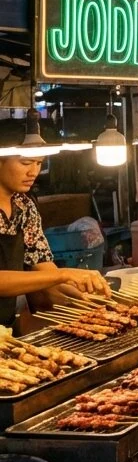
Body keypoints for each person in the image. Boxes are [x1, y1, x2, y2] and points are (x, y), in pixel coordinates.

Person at [0, 123, 108, 329]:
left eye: (39, 163)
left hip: (5, 327)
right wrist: (63, 274)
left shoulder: (24, 206)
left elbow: (42, 264)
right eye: (26, 163)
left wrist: (77, 294)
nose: (34, 171)